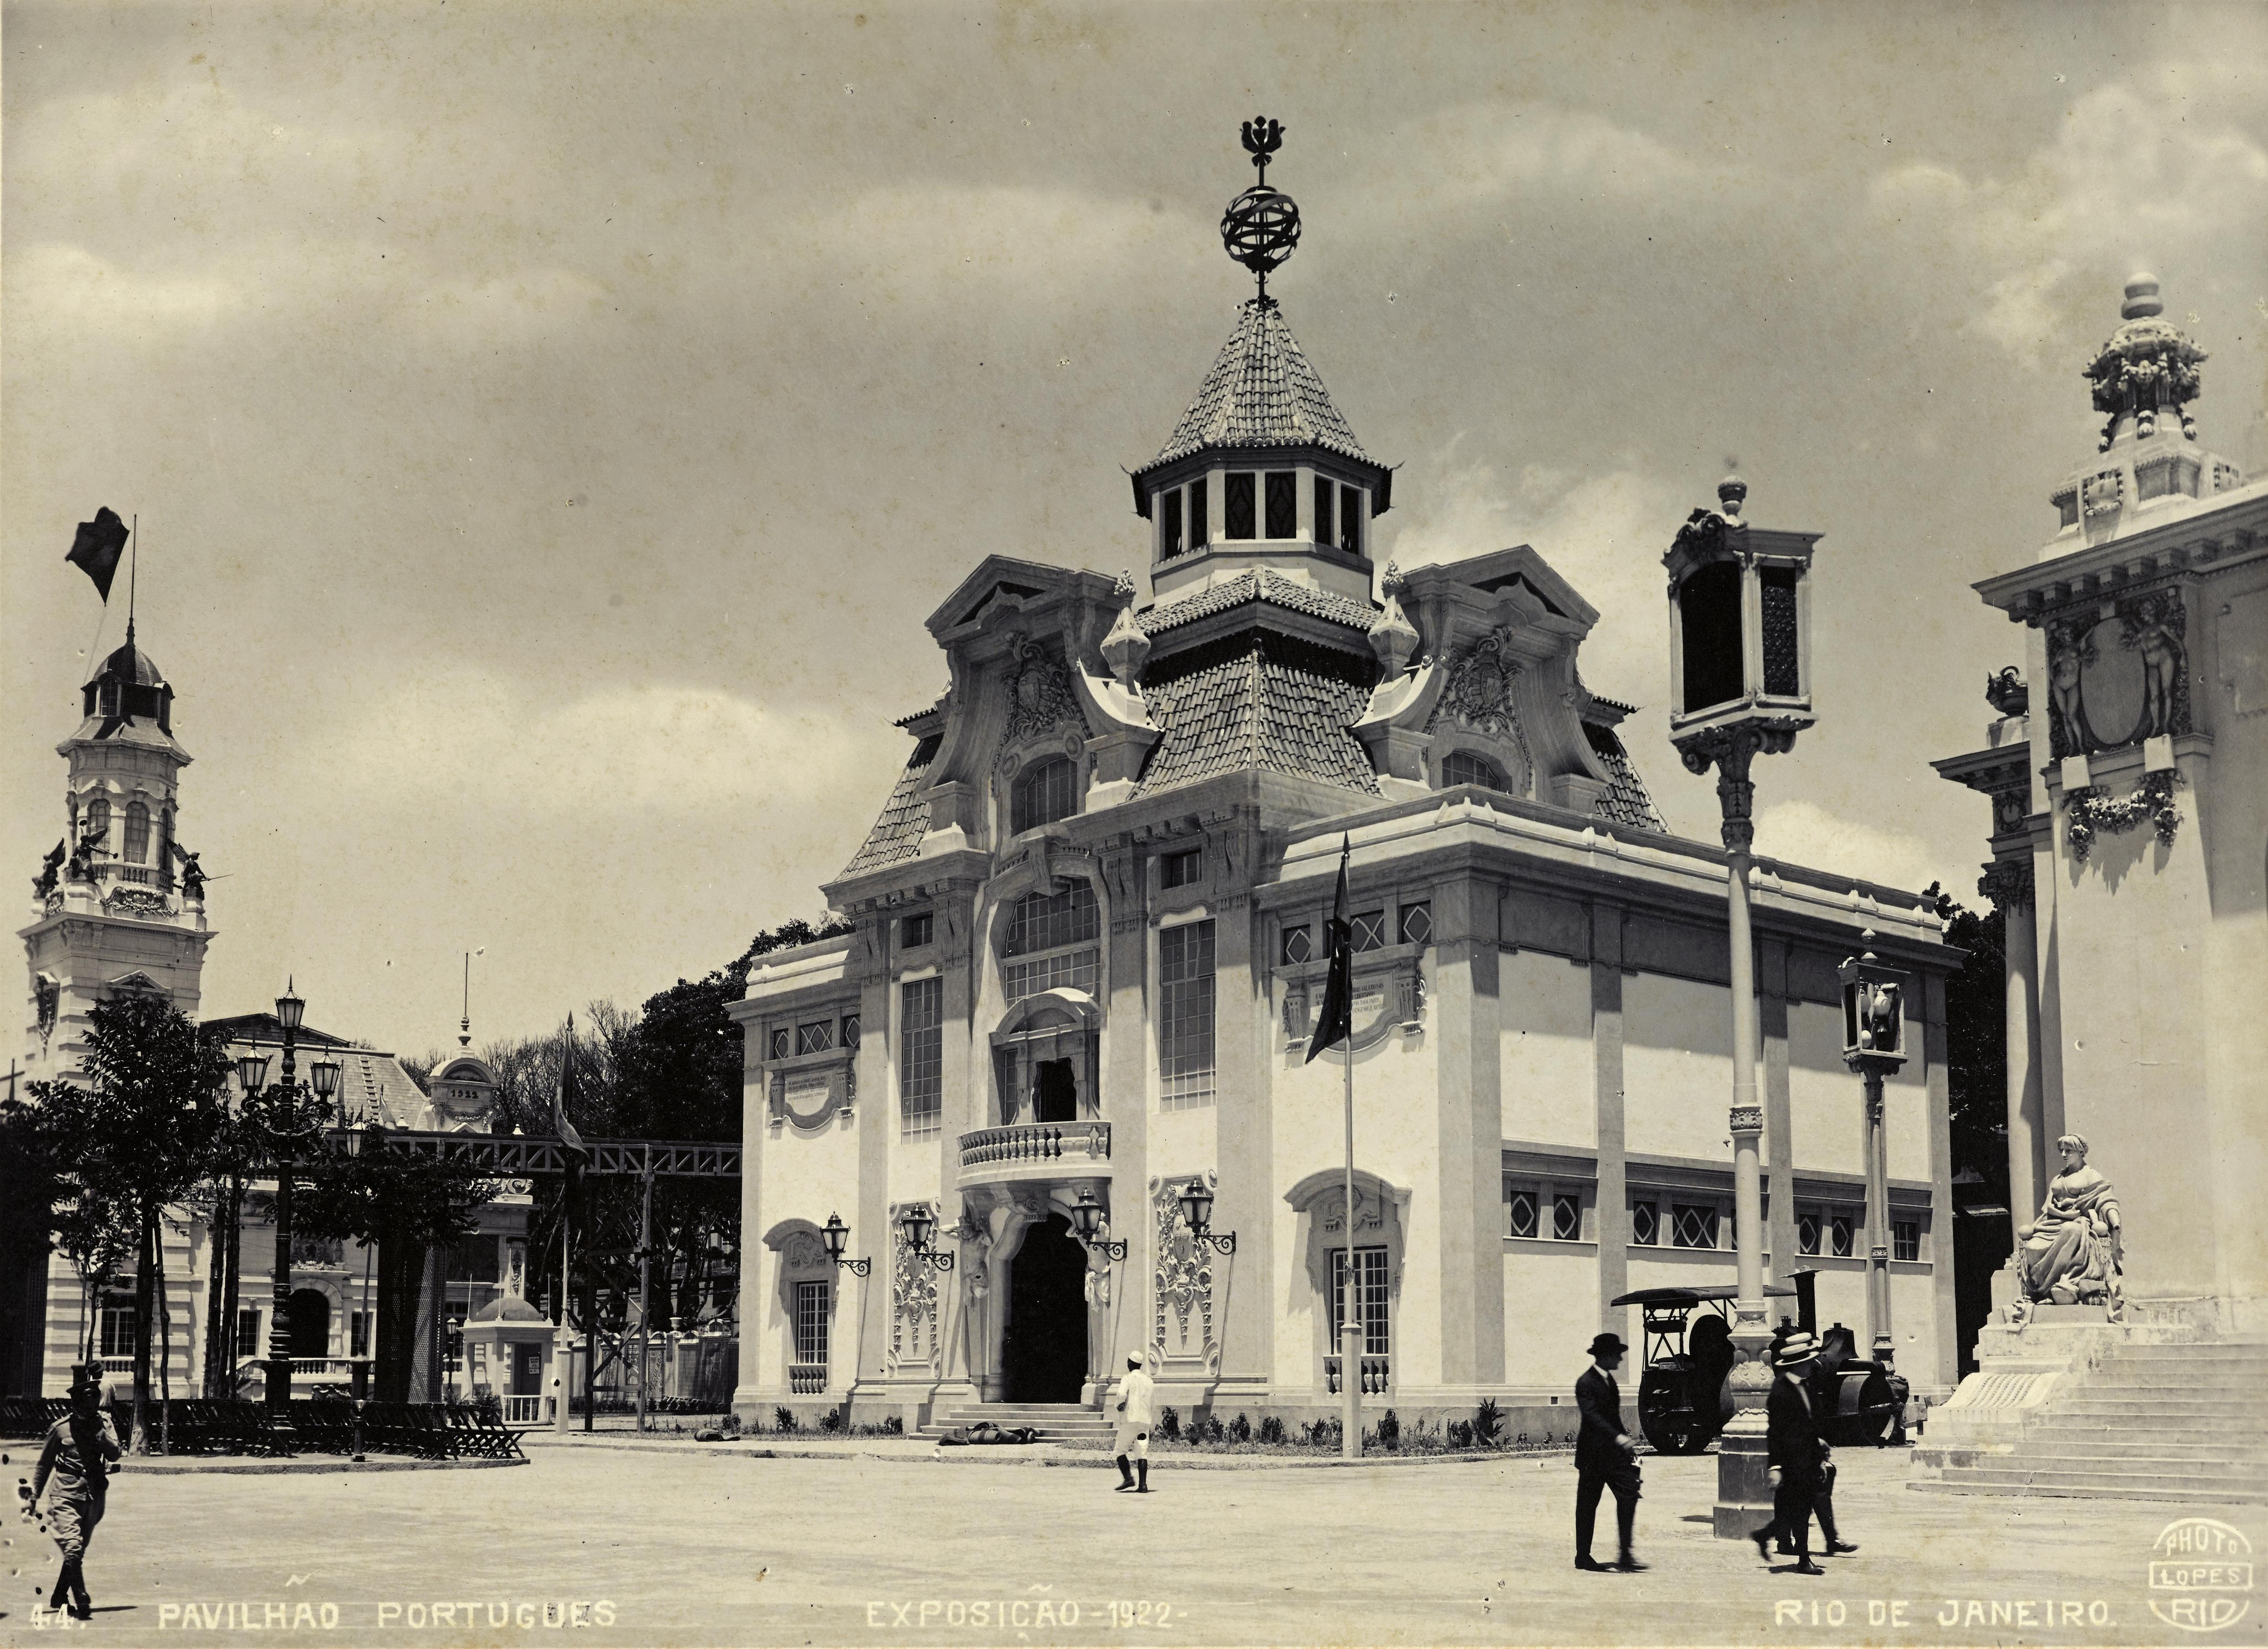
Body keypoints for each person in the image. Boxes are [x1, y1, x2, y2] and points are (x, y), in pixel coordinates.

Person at [27, 1366, 121, 1621]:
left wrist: (101, 1435)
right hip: (64, 1495)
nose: (92, 1402)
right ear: (77, 1402)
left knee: (76, 1552)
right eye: (87, 1398)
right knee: (73, 1546)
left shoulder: (104, 1424)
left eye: (95, 1397)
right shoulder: (61, 1429)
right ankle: (82, 1598)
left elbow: (115, 1454)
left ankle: (59, 1596)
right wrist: (34, 1495)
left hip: (93, 1497)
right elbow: (44, 1465)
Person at [1752, 1332, 1828, 1575]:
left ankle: (1764, 1535)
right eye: (1808, 1362)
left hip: (1807, 1459)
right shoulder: (1780, 1391)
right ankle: (1804, 1560)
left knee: (1795, 1511)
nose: (1812, 1365)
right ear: (1798, 1364)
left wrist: (1819, 1447)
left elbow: (1807, 1424)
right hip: (1791, 1462)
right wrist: (1775, 1467)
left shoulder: (1805, 1385)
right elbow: (1775, 1433)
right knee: (1800, 1511)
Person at [1573, 1331, 1645, 1572]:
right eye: (1617, 1355)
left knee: (1629, 1495)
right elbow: (1592, 1416)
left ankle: (1625, 1554)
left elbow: (1613, 1417)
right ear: (1604, 1356)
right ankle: (1583, 1557)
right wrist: (1619, 1437)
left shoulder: (1609, 1381)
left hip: (1614, 1457)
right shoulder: (1585, 1382)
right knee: (1587, 1506)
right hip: (1593, 1457)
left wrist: (1626, 1448)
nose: (1621, 1360)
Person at [1110, 1354, 1155, 1493]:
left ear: (1130, 1363)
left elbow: (1121, 1394)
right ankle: (1143, 1485)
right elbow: (1153, 1403)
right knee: (1142, 1452)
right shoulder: (1149, 1381)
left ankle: (1129, 1478)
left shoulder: (1127, 1378)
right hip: (1144, 1421)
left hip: (1130, 1420)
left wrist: (1119, 1405)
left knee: (1120, 1450)